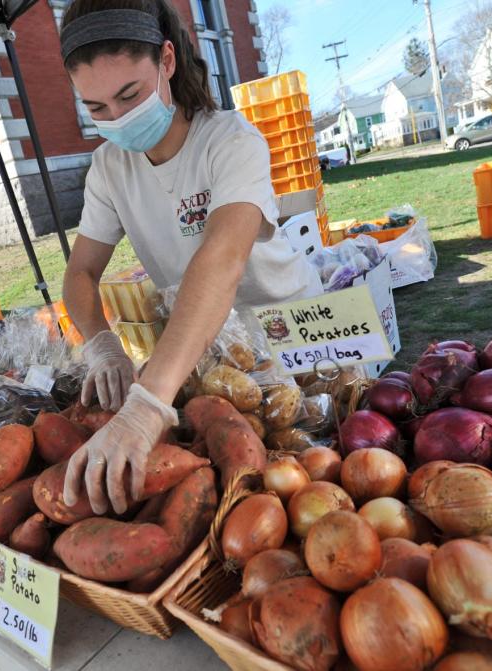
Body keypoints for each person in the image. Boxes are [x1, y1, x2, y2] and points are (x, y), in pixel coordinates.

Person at [59, 0, 322, 515]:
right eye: (96, 108)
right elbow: (81, 273)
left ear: (167, 61)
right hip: (207, 355)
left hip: (292, 338)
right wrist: (102, 346)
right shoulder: (109, 168)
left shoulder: (230, 141)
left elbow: (222, 258)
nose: (117, 118)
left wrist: (148, 405)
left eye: (129, 95)